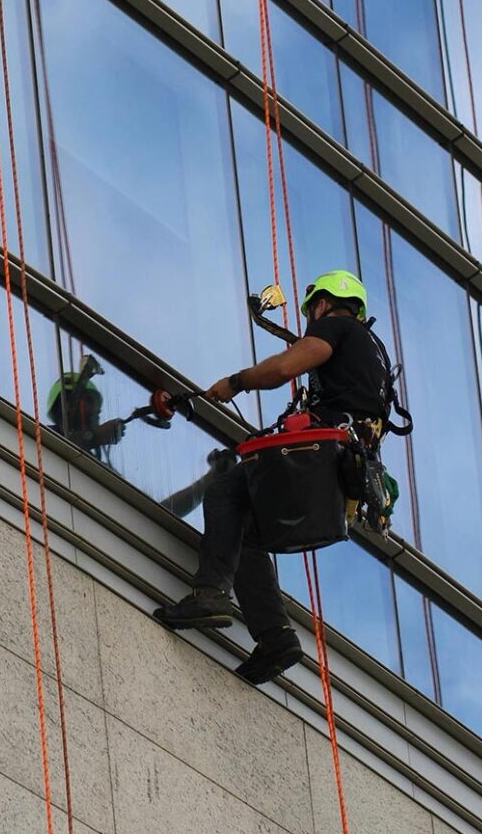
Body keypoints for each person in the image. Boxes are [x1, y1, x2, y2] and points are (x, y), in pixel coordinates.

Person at [154, 270, 391, 685]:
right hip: (338, 483)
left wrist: (236, 382)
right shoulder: (373, 354)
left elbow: (284, 368)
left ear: (322, 304)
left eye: (311, 311)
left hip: (319, 458)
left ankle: (210, 594)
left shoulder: (336, 328)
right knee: (247, 531)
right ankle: (276, 637)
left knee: (225, 491)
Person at [46, 354, 127, 459]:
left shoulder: (91, 461)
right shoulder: (44, 437)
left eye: (97, 409)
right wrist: (95, 436)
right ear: (66, 404)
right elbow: (64, 447)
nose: (95, 412)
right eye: (90, 402)